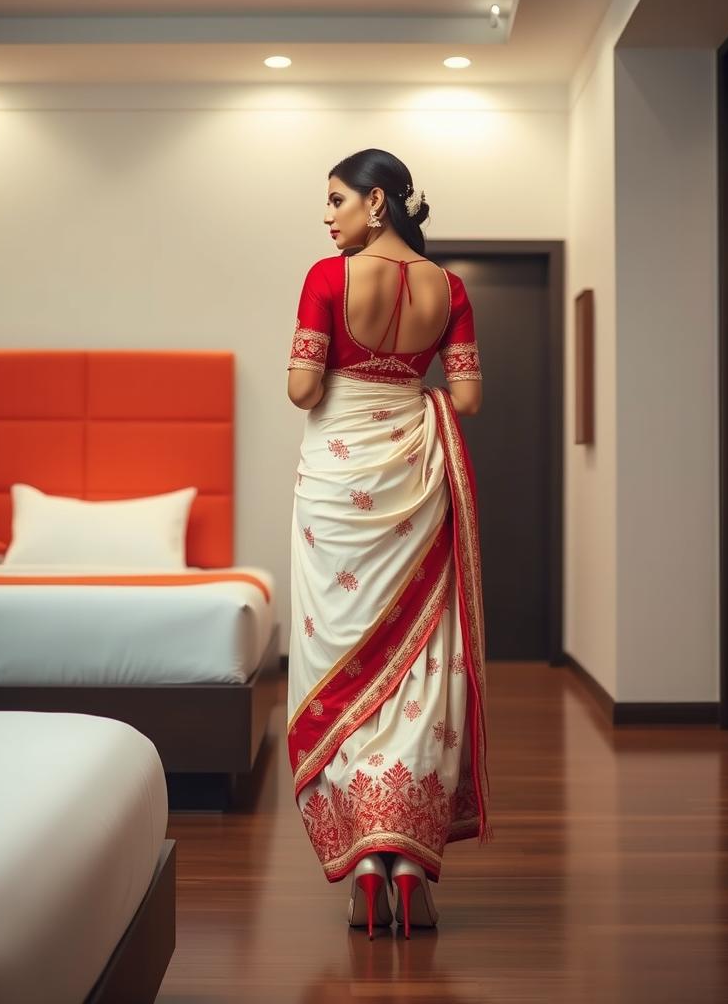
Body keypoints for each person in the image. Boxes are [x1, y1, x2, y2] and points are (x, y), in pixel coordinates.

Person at [285, 148, 489, 940]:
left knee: (337, 651)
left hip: (338, 486)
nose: (327, 215)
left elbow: (303, 389)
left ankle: (364, 869)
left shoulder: (328, 279)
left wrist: (345, 372)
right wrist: (407, 386)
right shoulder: (452, 288)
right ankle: (407, 868)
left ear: (377, 203)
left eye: (335, 200)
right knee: (417, 661)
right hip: (414, 472)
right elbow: (465, 398)